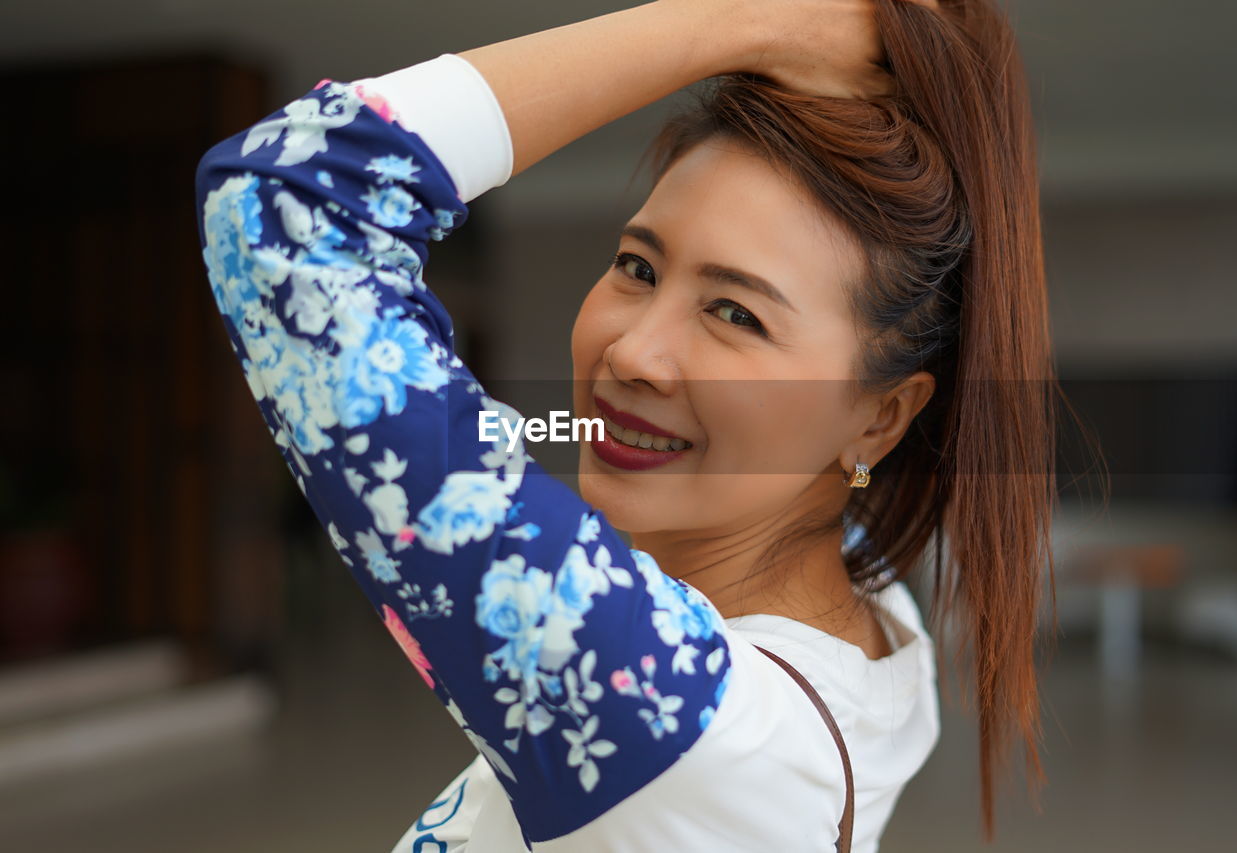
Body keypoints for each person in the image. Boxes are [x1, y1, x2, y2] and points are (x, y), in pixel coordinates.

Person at [195, 0, 1057, 850]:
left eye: (735, 312)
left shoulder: (670, 711)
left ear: (880, 417)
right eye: (638, 267)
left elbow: (282, 195)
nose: (636, 352)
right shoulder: (873, 621)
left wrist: (748, 24)